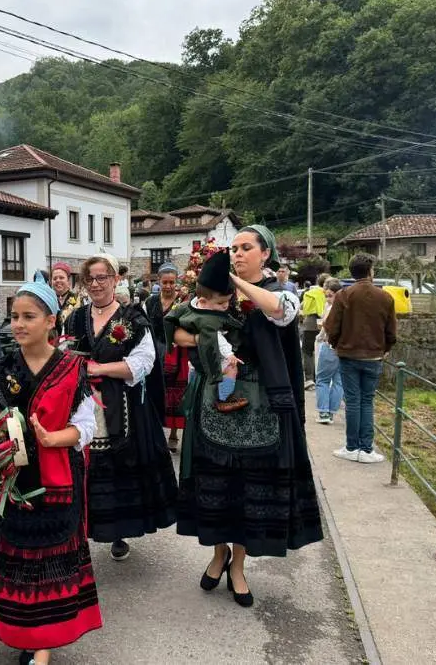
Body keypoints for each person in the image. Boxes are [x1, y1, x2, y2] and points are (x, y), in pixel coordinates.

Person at [174, 224, 323, 608]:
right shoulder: (215, 294)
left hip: (262, 408)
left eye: (245, 248)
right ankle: (218, 552)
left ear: (265, 254)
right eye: (233, 248)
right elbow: (180, 333)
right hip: (216, 402)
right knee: (217, 483)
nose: (237, 253)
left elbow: (277, 311)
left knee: (247, 486)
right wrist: (211, 340)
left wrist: (236, 284)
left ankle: (238, 565)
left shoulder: (280, 293)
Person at [0, 280, 102, 665]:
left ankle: (43, 647)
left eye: (28, 317)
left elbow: (86, 426)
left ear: (51, 321)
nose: (18, 324)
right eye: (14, 316)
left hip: (58, 477)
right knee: (19, 560)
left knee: (50, 559)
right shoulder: (1, 368)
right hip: (12, 480)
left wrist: (52, 439)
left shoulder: (71, 367)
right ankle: (26, 634)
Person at [65, 252, 178, 562]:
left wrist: (99, 369)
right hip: (85, 403)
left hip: (124, 405)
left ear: (116, 280)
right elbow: (64, 354)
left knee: (119, 465)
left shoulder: (132, 318)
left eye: (103, 277)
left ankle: (118, 531)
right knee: (85, 467)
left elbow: (143, 363)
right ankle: (81, 531)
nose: (96, 284)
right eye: (90, 278)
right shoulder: (76, 317)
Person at [323, 253, 397, 463]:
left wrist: (336, 344)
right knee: (367, 401)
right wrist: (386, 347)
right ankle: (366, 449)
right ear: (371, 271)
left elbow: (332, 326)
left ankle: (351, 446)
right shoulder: (385, 297)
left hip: (348, 354)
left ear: (353, 271)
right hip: (374, 355)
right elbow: (391, 330)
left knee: (353, 401)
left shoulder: (344, 295)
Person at [164, 250, 244, 412]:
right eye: (222, 304)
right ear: (202, 301)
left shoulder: (194, 305)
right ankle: (225, 398)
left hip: (197, 364)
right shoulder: (207, 316)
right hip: (208, 361)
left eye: (227, 303)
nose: (225, 307)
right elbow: (214, 337)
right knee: (231, 368)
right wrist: (229, 355)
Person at [144, 263, 188, 451]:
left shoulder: (184, 302)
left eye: (171, 282)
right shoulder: (151, 302)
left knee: (174, 393)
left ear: (176, 282)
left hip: (175, 350)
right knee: (154, 388)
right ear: (159, 282)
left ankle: (173, 434)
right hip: (154, 348)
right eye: (165, 282)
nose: (168, 286)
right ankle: (155, 431)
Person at [315, 278, 344, 425]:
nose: (327, 298)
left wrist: (319, 337)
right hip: (344, 349)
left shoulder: (332, 309)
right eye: (326, 295)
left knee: (322, 380)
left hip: (330, 346)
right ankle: (331, 412)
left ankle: (323, 412)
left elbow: (326, 327)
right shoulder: (348, 307)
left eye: (330, 295)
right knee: (339, 382)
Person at [300, 273, 330, 390]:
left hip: (310, 324)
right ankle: (321, 378)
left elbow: (302, 307)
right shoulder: (331, 294)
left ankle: (309, 379)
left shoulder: (310, 293)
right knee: (322, 352)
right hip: (325, 325)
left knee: (308, 351)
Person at [51, 261, 80, 335]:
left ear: (68, 280)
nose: (58, 280)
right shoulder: (48, 300)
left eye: (61, 278)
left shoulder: (78, 299)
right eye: (55, 278)